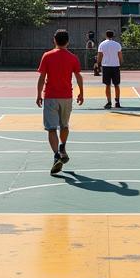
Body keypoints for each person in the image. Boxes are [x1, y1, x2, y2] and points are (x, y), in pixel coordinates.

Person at [36, 29, 84, 176]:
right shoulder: (73, 57)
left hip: (51, 96)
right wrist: (81, 92)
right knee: (64, 125)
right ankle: (63, 147)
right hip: (67, 97)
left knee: (51, 128)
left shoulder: (47, 56)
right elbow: (78, 76)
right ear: (68, 41)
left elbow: (42, 77)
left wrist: (38, 94)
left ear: (54, 40)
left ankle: (56, 155)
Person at [97, 29, 123, 109]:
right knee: (116, 85)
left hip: (106, 66)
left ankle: (109, 102)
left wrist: (98, 64)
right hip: (115, 66)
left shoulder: (102, 44)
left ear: (106, 35)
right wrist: (121, 63)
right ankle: (117, 102)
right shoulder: (117, 44)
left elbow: (100, 55)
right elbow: (120, 56)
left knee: (107, 85)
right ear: (113, 36)